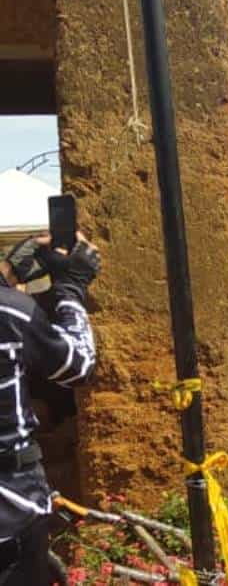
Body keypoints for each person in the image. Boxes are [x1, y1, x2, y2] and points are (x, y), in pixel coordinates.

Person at [0, 234, 100, 584]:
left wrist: (9, 272)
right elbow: (78, 364)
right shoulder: (10, 310)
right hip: (11, 516)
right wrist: (71, 291)